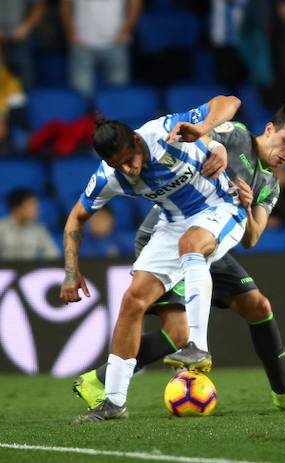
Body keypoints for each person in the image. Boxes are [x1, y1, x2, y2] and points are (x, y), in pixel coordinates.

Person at [72, 104, 285, 416]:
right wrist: (211, 137)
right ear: (271, 129)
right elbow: (215, 115)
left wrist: (247, 205)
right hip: (169, 229)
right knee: (165, 314)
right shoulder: (235, 137)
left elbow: (252, 238)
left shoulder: (269, 185)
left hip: (216, 230)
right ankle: (113, 390)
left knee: (258, 306)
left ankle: (283, 393)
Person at [61, 95, 247, 422]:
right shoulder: (110, 176)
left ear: (136, 140)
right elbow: (76, 218)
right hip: (173, 223)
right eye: (120, 165)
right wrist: (70, 272)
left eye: (130, 159)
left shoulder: (163, 132)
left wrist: (204, 131)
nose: (130, 169)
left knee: (192, 244)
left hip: (221, 206)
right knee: (133, 300)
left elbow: (230, 101)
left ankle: (197, 348)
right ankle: (114, 402)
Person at [55, 0, 144, 97]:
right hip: (82, 42)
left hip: (116, 42)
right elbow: (65, 3)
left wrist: (125, 31)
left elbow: (136, 2)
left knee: (117, 98)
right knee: (80, 99)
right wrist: (71, 35)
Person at [0, 188, 60, 261]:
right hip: (4, 273)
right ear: (17, 208)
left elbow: (53, 255)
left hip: (29, 274)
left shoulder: (39, 229)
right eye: (32, 204)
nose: (37, 209)